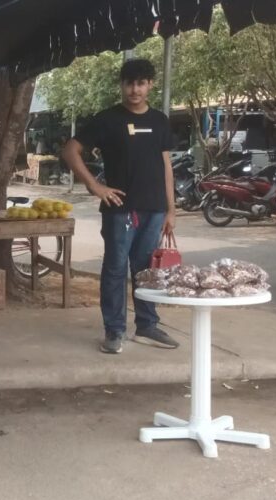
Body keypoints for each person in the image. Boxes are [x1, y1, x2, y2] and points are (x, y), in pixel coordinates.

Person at [62, 59, 179, 354]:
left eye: (141, 83)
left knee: (145, 270)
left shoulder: (159, 120)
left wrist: (171, 209)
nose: (134, 90)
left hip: (154, 209)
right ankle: (114, 331)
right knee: (115, 269)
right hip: (121, 210)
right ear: (122, 85)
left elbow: (166, 165)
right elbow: (70, 150)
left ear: (150, 84)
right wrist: (94, 185)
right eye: (129, 83)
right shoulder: (108, 119)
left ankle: (147, 326)